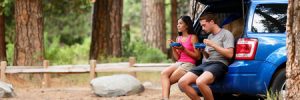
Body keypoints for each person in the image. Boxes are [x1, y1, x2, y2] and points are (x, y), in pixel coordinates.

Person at [178, 13, 234, 100]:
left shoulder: (226, 34)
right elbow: (208, 56)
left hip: (219, 63)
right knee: (182, 82)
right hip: (207, 63)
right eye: (202, 26)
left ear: (212, 22)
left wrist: (213, 45)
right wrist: (203, 51)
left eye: (204, 25)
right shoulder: (210, 36)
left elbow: (230, 54)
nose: (203, 28)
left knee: (200, 82)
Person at [161, 16, 201, 100]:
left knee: (168, 80)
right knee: (163, 73)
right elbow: (177, 58)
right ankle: (165, 98)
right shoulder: (178, 38)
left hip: (189, 64)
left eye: (180, 23)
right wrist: (173, 47)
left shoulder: (193, 37)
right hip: (179, 62)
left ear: (186, 25)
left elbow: (197, 56)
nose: (178, 25)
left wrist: (184, 49)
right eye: (177, 23)